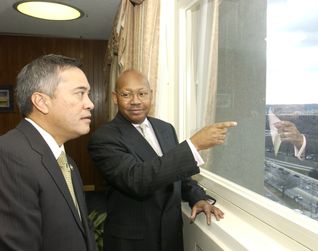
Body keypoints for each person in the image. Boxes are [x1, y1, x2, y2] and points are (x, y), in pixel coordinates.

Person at [88, 69, 237, 251]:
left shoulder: (165, 129)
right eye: (126, 94)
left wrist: (197, 198)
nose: (135, 101)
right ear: (114, 97)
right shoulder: (103, 137)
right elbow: (138, 180)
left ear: (152, 95)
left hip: (170, 236)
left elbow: (178, 176)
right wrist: (193, 145)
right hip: (132, 242)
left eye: (142, 93)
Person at [0, 54, 97, 251]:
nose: (90, 104)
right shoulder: (9, 154)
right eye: (80, 93)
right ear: (41, 102)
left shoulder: (65, 160)